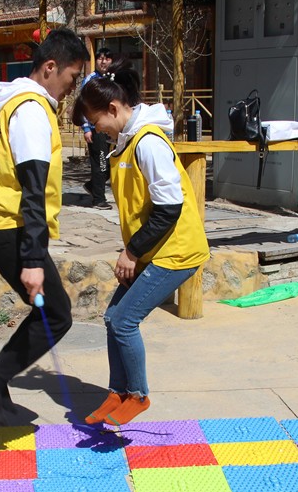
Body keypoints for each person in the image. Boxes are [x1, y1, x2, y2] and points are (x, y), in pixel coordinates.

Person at [71, 62, 210, 425]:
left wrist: (131, 252)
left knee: (124, 322)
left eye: (95, 121)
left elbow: (169, 208)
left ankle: (138, 395)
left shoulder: (148, 143)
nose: (95, 129)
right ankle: (118, 392)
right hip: (153, 249)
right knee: (111, 317)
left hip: (175, 251)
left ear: (114, 109)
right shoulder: (127, 142)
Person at [0, 28, 89, 425]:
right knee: (55, 315)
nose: (72, 88)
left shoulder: (20, 105)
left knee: (48, 312)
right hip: (11, 228)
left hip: (6, 226)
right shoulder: (32, 111)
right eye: (72, 77)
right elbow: (33, 188)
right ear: (50, 67)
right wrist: (34, 257)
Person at [79, 47, 114, 210]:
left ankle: (94, 186)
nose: (103, 61)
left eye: (107, 58)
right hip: (95, 128)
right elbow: (83, 105)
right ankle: (98, 199)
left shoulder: (111, 79)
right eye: (100, 58)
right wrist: (86, 128)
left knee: (110, 164)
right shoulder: (90, 80)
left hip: (110, 128)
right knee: (100, 163)